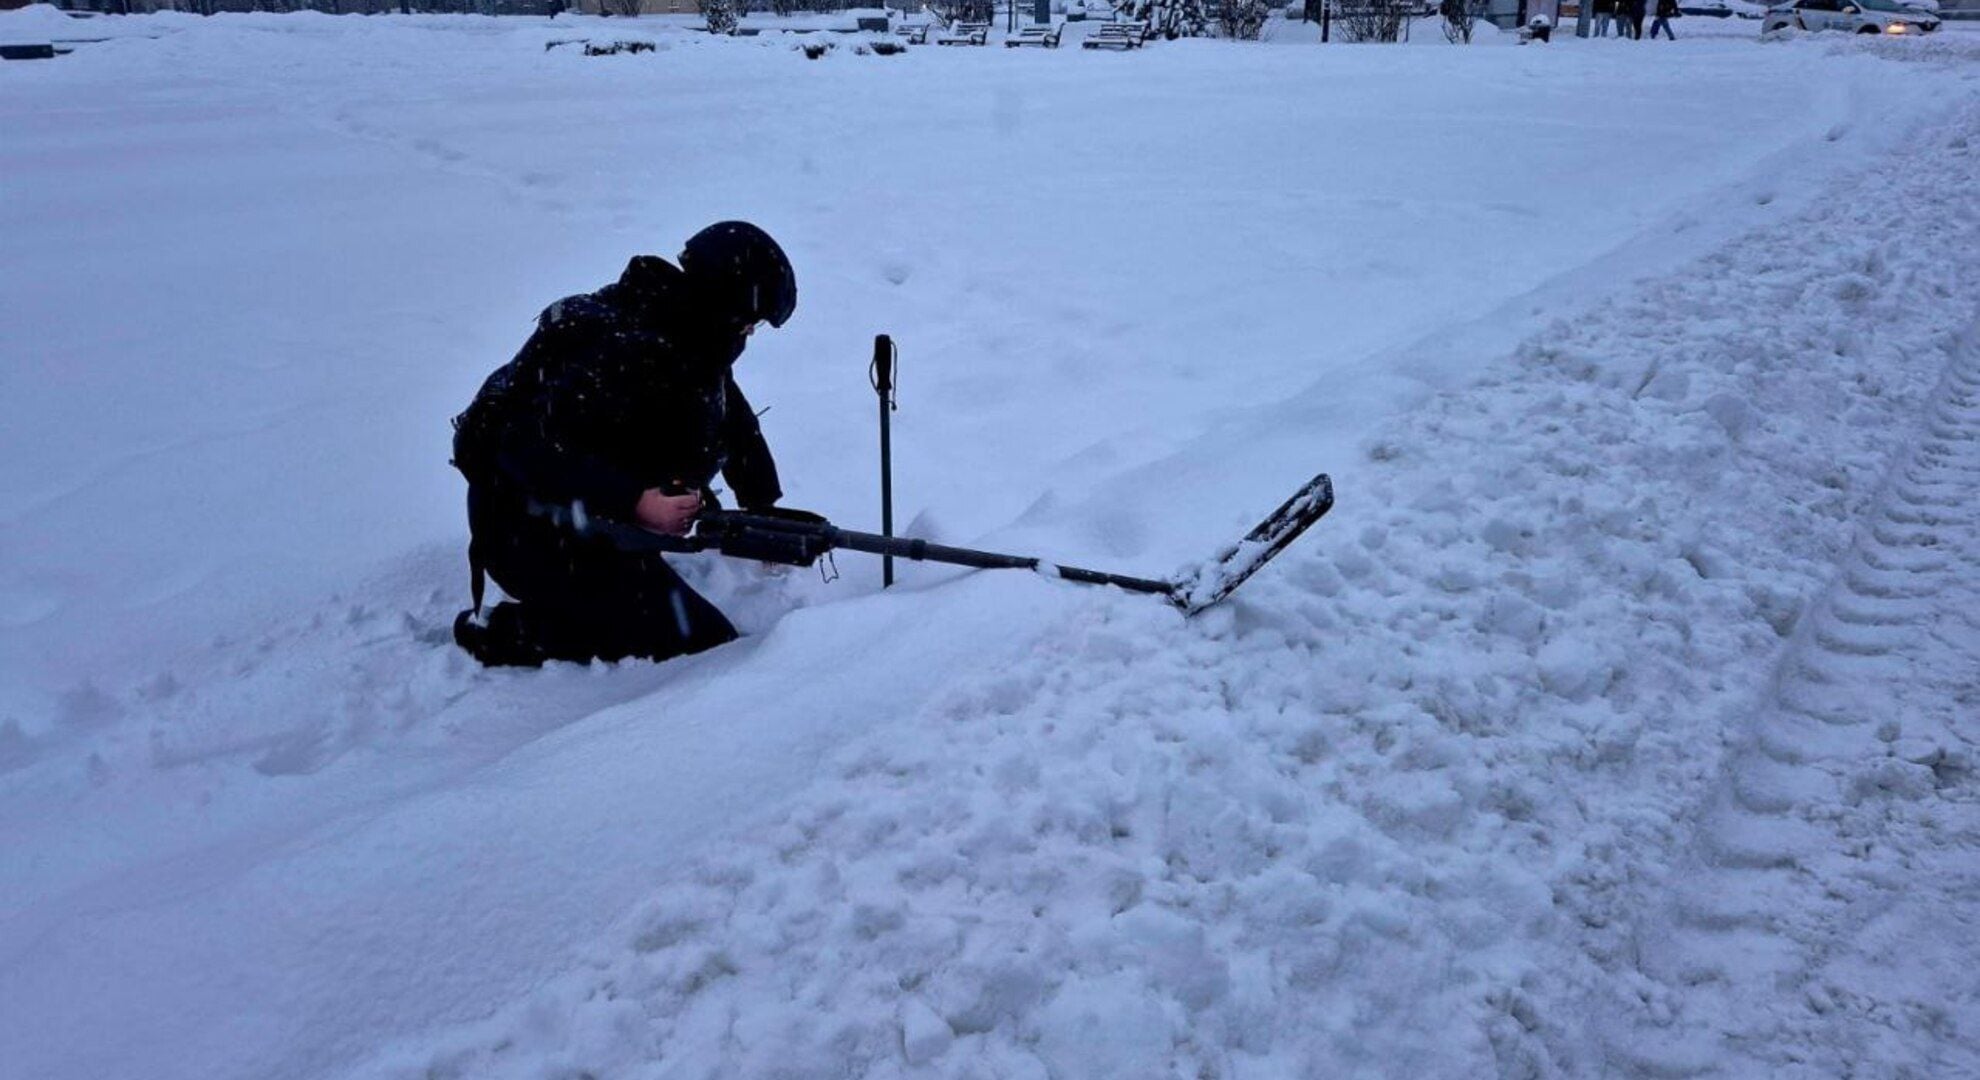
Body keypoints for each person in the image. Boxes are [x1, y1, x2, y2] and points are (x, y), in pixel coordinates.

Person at [448, 221, 797, 667]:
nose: (749, 332)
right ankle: (510, 634)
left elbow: (736, 423)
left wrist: (762, 506)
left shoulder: (690, 338)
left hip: (592, 523)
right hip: (526, 531)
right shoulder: (615, 348)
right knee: (699, 645)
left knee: (697, 636)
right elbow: (523, 450)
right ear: (722, 303)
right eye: (749, 320)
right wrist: (634, 501)